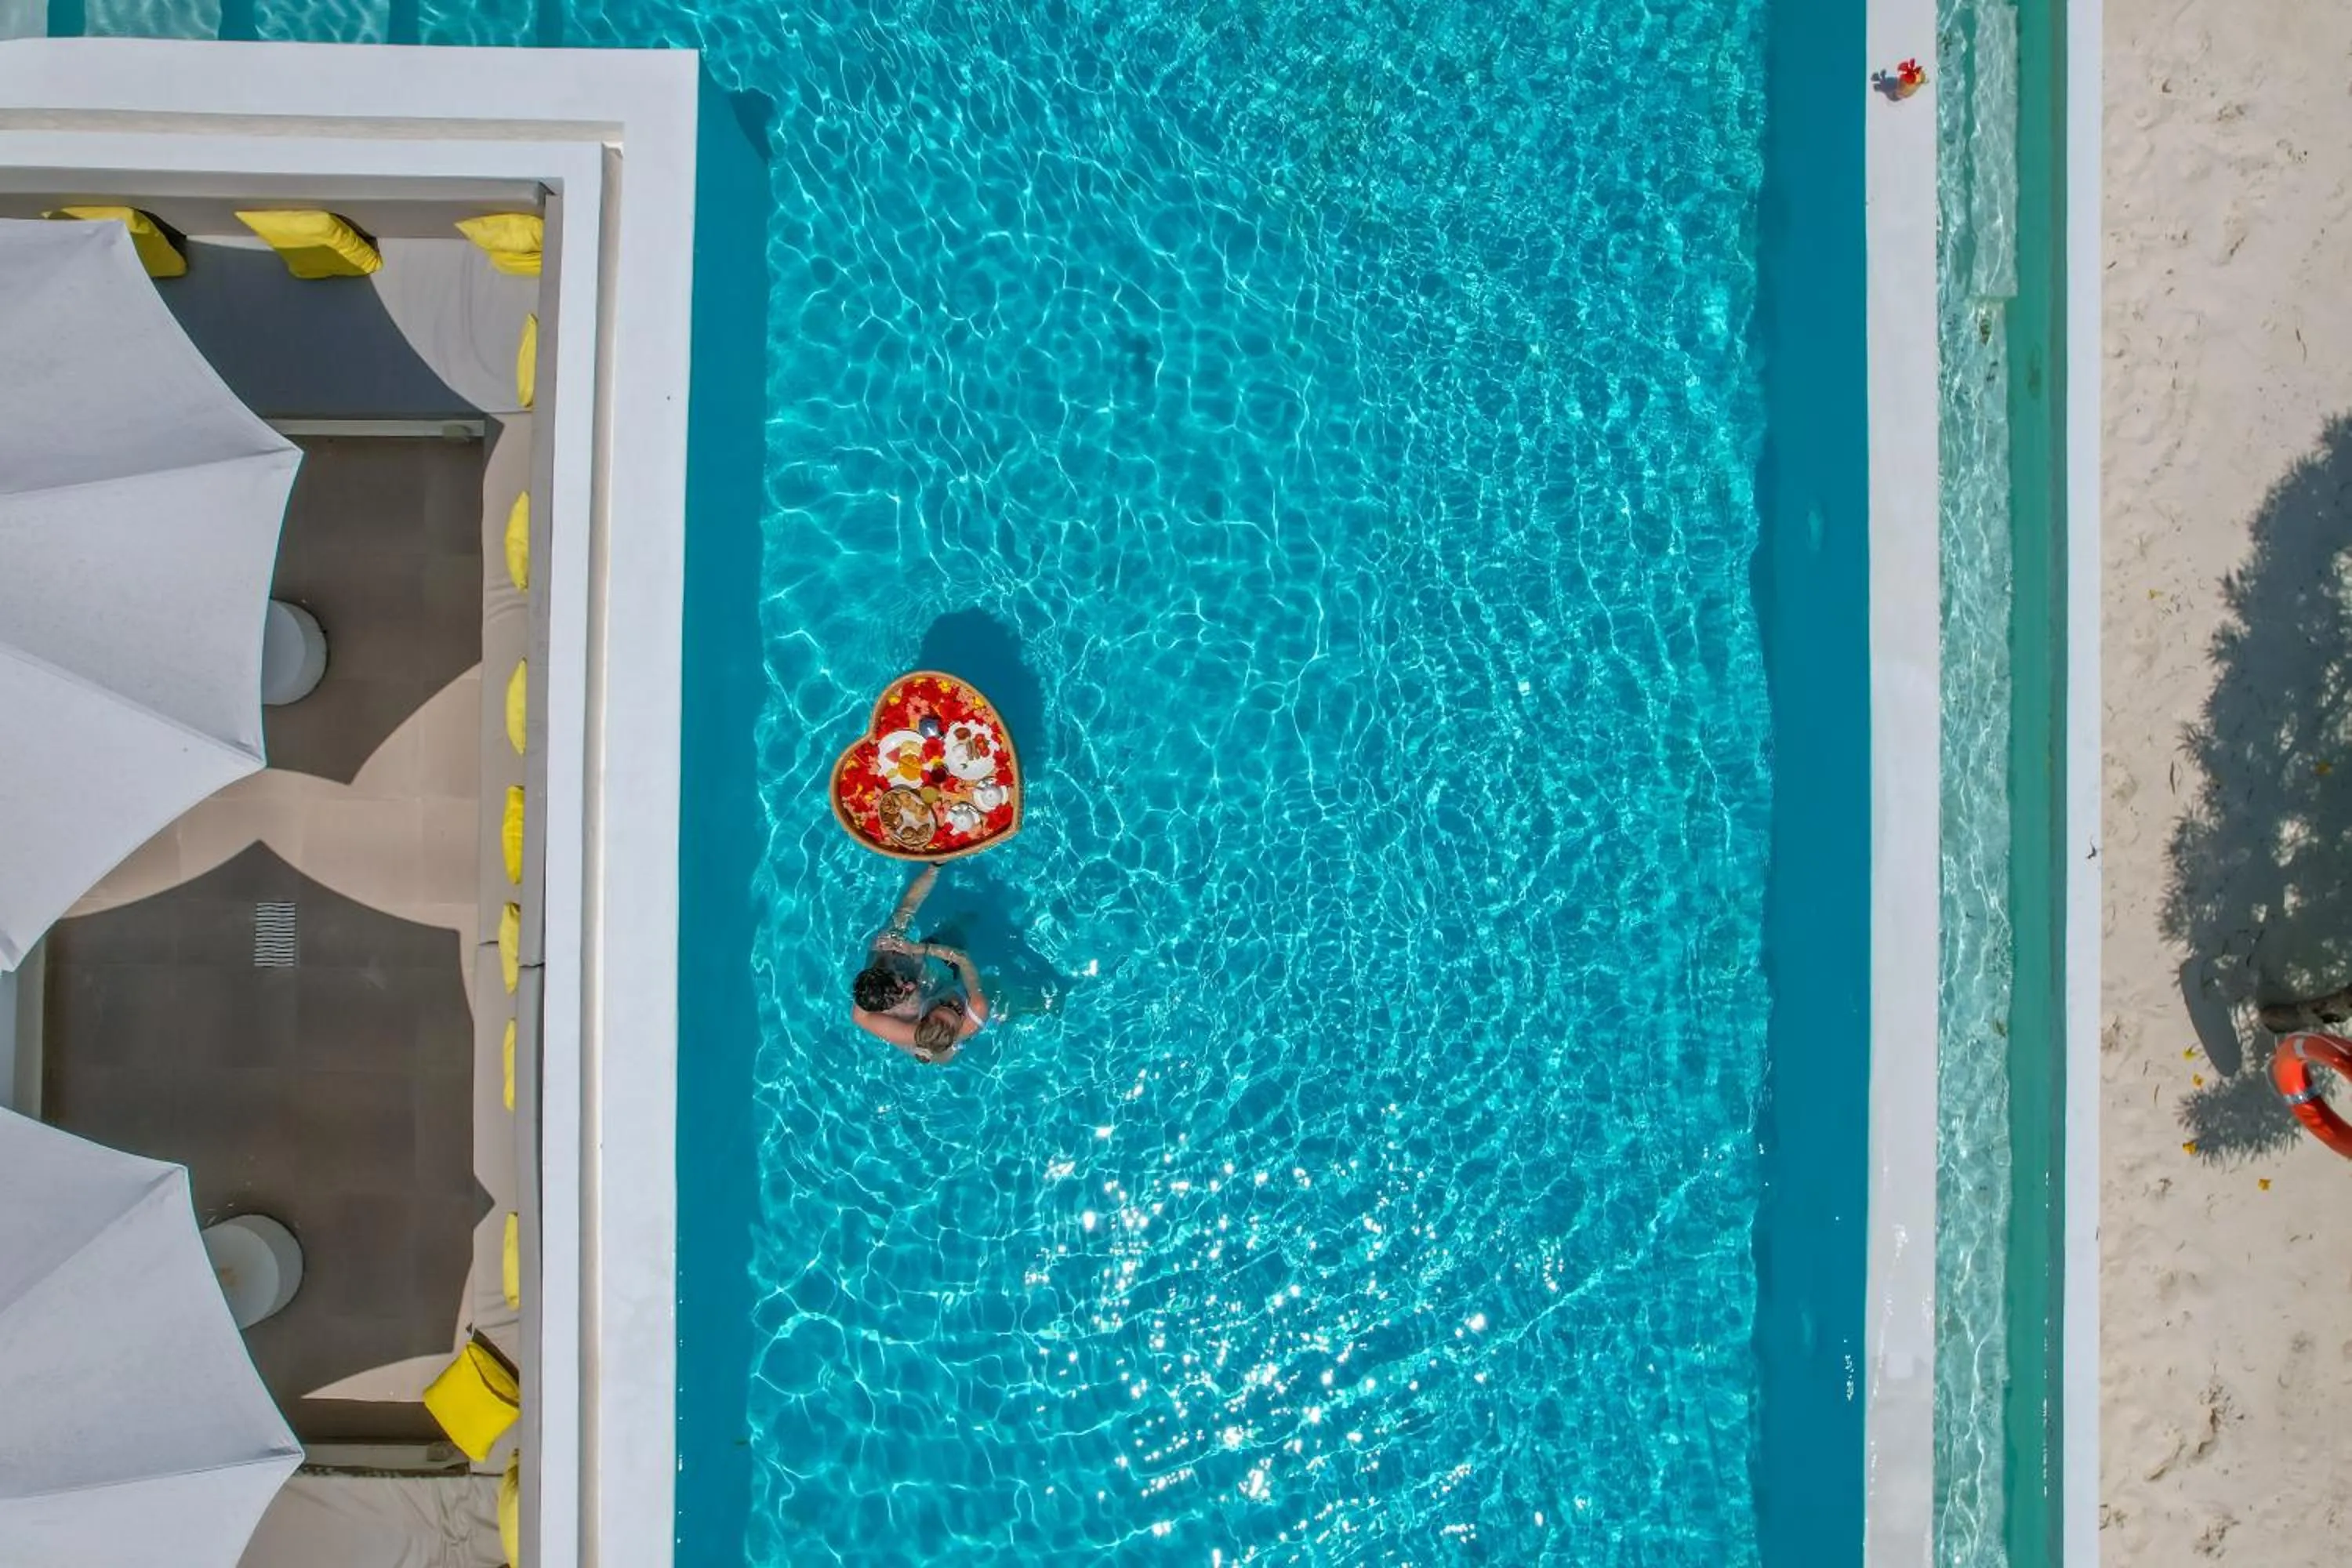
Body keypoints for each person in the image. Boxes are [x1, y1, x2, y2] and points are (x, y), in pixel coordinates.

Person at [850, 867, 989, 1063]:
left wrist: (934, 867)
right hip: (927, 1035)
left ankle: (962, 923)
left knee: (953, 935)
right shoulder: (909, 1021)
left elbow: (909, 904)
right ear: (887, 1007)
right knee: (938, 1052)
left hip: (930, 980)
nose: (911, 985)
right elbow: (860, 1017)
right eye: (904, 993)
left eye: (904, 979)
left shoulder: (889, 945)